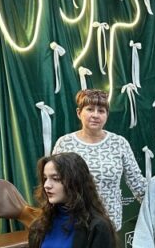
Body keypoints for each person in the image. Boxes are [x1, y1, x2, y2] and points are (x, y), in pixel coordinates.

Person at [53, 88, 146, 231]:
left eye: (101, 111)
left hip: (108, 226)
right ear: (79, 113)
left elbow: (138, 184)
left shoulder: (119, 143)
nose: (95, 115)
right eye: (90, 109)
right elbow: (54, 182)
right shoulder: (64, 143)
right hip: (72, 225)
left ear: (107, 115)